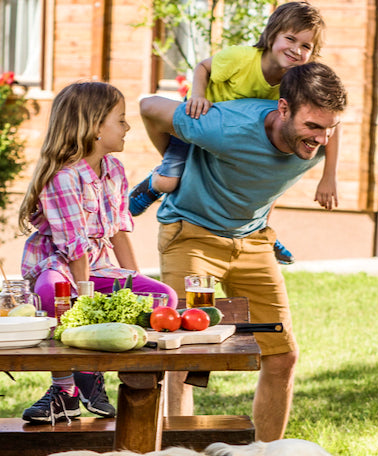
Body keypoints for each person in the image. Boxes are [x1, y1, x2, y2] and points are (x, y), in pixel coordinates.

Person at [139, 62, 347, 442]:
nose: (320, 138)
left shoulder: (320, 137)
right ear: (283, 109)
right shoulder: (223, 126)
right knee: (182, 354)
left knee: (282, 355)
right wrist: (173, 162)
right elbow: (150, 107)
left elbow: (329, 130)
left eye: (328, 128)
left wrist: (329, 173)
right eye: (313, 127)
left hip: (253, 240)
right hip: (192, 233)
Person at [18, 81, 179, 423]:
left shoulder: (114, 171)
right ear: (94, 128)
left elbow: (119, 233)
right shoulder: (61, 177)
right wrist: (86, 304)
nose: (128, 127)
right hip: (61, 266)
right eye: (120, 119)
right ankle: (67, 388)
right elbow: (74, 248)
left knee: (163, 298)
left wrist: (134, 281)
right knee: (52, 292)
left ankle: (98, 372)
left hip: (98, 268)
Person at [129, 2, 337, 266]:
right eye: (290, 39)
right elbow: (202, 68)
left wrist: (328, 177)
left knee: (267, 185)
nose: (296, 50)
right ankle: (152, 183)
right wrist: (198, 97)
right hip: (203, 123)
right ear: (272, 35)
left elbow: (331, 118)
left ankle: (261, 233)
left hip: (241, 139)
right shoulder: (241, 58)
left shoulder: (294, 82)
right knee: (171, 181)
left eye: (306, 46)